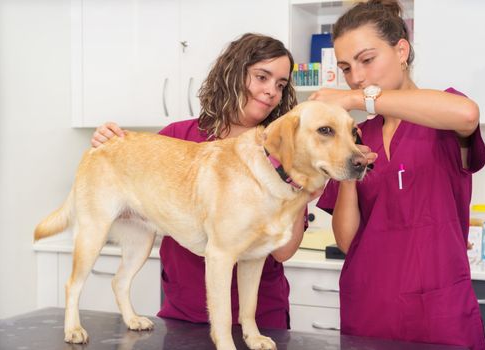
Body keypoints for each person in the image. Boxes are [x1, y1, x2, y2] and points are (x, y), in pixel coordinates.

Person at [91, 33, 317, 329]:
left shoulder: (282, 151)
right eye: (262, 77)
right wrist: (108, 144)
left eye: (280, 84)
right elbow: (130, 195)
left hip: (260, 317)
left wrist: (297, 181)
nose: (271, 91)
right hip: (183, 311)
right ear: (233, 73)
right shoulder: (177, 137)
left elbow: (283, 251)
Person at [309, 1, 485, 349]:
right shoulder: (358, 135)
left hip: (439, 308)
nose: (356, 77)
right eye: (346, 68)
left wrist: (359, 98)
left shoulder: (443, 111)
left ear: (401, 49)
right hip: (369, 305)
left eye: (367, 59)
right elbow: (348, 241)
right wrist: (350, 168)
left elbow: (467, 115)